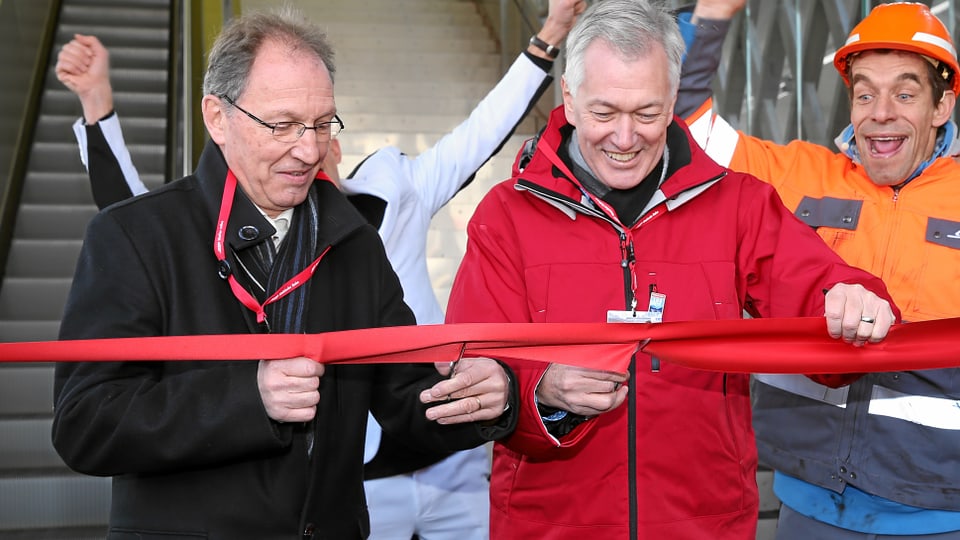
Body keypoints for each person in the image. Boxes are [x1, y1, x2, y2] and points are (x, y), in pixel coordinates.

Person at [54, 2, 583, 538]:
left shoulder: (352, 242)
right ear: (217, 117)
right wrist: (247, 398)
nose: (309, 149)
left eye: (322, 123)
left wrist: (488, 398)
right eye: (283, 124)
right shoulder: (137, 235)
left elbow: (406, 398)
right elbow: (85, 423)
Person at [444, 1, 899, 538]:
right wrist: (541, 389)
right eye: (604, 112)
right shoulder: (507, 214)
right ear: (568, 96)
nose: (624, 138)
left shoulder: (738, 205)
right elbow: (471, 363)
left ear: (674, 100)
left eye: (646, 113)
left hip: (704, 522)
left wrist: (855, 297)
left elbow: (821, 292)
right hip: (554, 524)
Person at [680, 1, 960, 538]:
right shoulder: (798, 177)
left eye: (905, 93)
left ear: (941, 106)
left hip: (940, 511)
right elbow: (682, 125)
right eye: (864, 93)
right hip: (808, 502)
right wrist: (711, 16)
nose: (881, 111)